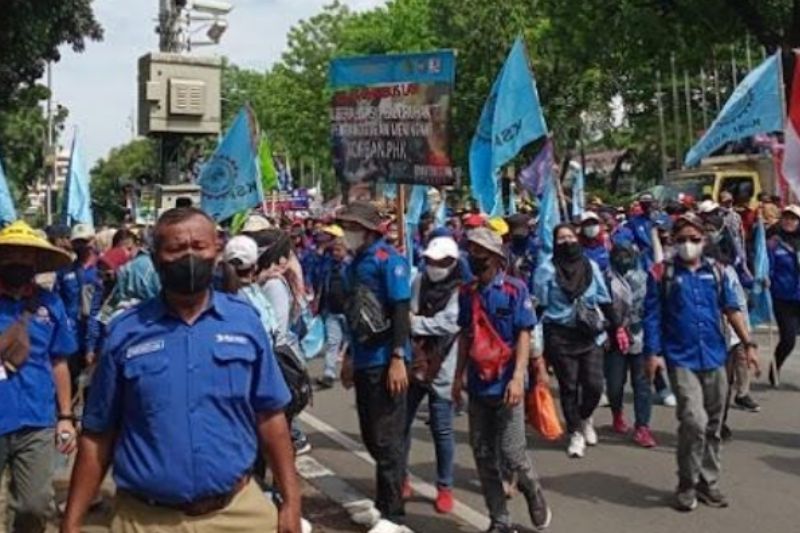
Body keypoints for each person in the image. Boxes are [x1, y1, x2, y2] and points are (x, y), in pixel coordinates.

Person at [61, 207, 301, 533]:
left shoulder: (245, 323)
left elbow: (271, 418)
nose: (189, 255)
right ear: (157, 259)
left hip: (237, 513)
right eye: (175, 249)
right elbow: (98, 434)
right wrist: (71, 522)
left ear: (217, 252)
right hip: (146, 520)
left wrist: (291, 501)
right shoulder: (125, 333)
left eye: (199, 246)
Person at [643, 213, 759, 512]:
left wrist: (748, 344)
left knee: (714, 425)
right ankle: (686, 482)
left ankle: (708, 481)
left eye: (694, 239)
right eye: (681, 239)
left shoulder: (717, 271)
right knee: (693, 420)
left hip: (714, 355)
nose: (687, 245)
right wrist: (653, 353)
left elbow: (732, 309)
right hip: (680, 357)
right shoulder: (661, 274)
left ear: (704, 240)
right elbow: (652, 317)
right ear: (672, 241)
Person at [455, 227, 551, 533]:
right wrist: (457, 378)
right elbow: (465, 337)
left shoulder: (514, 289)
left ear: (496, 258)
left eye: (481, 252)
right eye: (471, 250)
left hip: (508, 383)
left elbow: (524, 333)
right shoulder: (466, 294)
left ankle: (532, 488)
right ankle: (499, 518)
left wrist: (520, 375)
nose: (475, 257)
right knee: (482, 453)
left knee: (512, 452)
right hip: (478, 382)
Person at [336, 201, 411, 530]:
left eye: (353, 227)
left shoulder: (388, 261)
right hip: (364, 358)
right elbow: (355, 315)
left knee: (387, 438)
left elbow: (400, 311)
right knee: (370, 435)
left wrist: (397, 357)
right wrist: (349, 357)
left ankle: (393, 512)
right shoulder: (354, 265)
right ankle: (382, 504)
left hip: (386, 360)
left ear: (368, 230)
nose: (348, 233)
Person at [0, 221, 77, 533]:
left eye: (24, 257)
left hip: (36, 420)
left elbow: (58, 361)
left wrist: (66, 417)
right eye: (9, 256)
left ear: (35, 263)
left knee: (35, 505)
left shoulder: (50, 304)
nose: (17, 263)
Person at [534, 223, 621, 458]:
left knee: (594, 385)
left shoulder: (590, 266)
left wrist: (617, 326)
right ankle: (575, 433)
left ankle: (585, 418)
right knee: (569, 386)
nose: (567, 242)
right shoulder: (545, 270)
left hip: (590, 335)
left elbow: (604, 299)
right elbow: (539, 307)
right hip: (560, 335)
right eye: (561, 239)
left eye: (570, 237)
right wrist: (534, 344)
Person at [402, 236, 461, 515]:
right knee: (401, 423)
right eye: (430, 261)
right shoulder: (420, 280)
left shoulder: (461, 289)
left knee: (442, 430)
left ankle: (445, 487)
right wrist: (418, 326)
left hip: (445, 363)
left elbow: (451, 322)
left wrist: (420, 324)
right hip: (416, 361)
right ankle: (401, 477)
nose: (434, 266)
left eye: (441, 262)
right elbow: (410, 312)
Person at [604, 242, 656, 447]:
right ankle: (617, 414)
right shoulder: (605, 278)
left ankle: (642, 427)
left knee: (642, 385)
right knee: (615, 385)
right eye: (619, 254)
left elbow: (651, 308)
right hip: (614, 337)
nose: (623, 258)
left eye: (627, 254)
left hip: (639, 335)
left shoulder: (645, 278)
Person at [767, 204, 800, 386]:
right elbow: (767, 268)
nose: (789, 221)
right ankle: (775, 367)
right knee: (788, 339)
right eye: (786, 218)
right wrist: (765, 280)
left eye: (793, 218)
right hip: (783, 298)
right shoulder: (774, 242)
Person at [315, 232, 350, 389]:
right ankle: (329, 373)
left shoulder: (350, 267)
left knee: (353, 343)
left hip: (349, 311)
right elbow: (317, 275)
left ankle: (353, 372)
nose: (336, 253)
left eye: (339, 250)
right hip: (332, 311)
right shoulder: (328, 266)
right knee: (332, 342)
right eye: (334, 250)